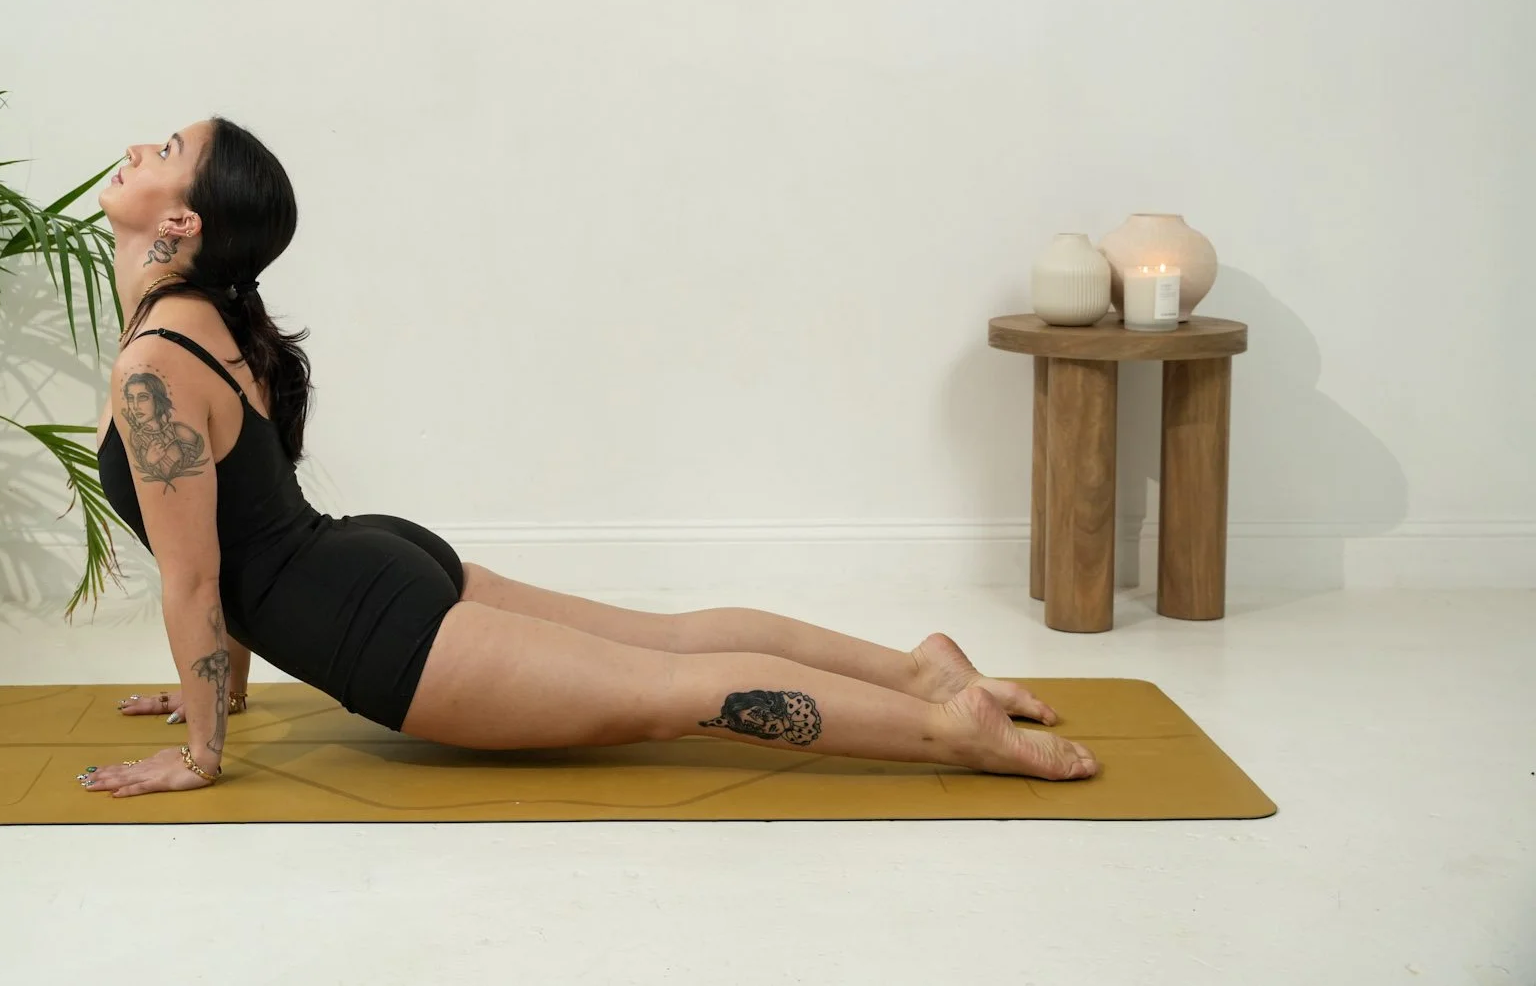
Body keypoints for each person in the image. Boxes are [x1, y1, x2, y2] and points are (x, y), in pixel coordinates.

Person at [77, 118, 1099, 798]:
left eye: (161, 147)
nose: (135, 147)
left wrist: (201, 750)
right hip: (373, 567)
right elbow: (232, 543)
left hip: (379, 630)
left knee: (674, 691)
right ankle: (918, 673)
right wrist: (220, 687)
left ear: (180, 222)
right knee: (670, 642)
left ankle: (949, 728)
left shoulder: (155, 363)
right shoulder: (205, 325)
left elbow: (201, 574)